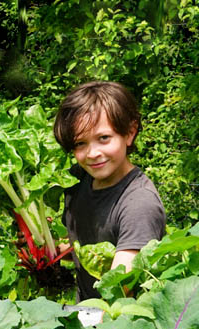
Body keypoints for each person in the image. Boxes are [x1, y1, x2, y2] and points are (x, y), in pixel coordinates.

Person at [53, 81, 166, 301]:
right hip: (85, 316)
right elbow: (87, 249)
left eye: (103, 138)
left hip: (120, 328)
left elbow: (119, 291)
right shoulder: (78, 180)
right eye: (80, 143)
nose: (92, 153)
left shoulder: (138, 204)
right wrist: (49, 252)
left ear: (130, 133)